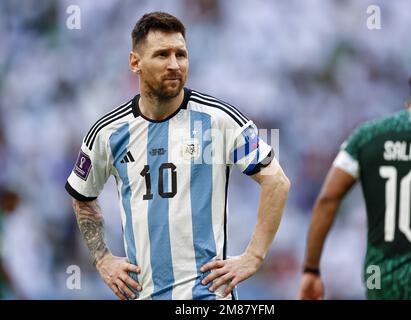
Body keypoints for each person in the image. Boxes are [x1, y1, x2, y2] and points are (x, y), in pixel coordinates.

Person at [65, 12, 290, 300]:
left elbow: (277, 182)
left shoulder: (219, 120)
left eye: (180, 54)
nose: (174, 64)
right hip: (143, 294)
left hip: (207, 296)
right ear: (135, 62)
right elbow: (82, 194)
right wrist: (103, 258)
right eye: (162, 55)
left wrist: (253, 257)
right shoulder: (109, 132)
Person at [298, 67, 411, 300]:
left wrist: (311, 269)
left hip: (382, 281)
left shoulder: (367, 135)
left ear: (409, 103)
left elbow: (328, 199)